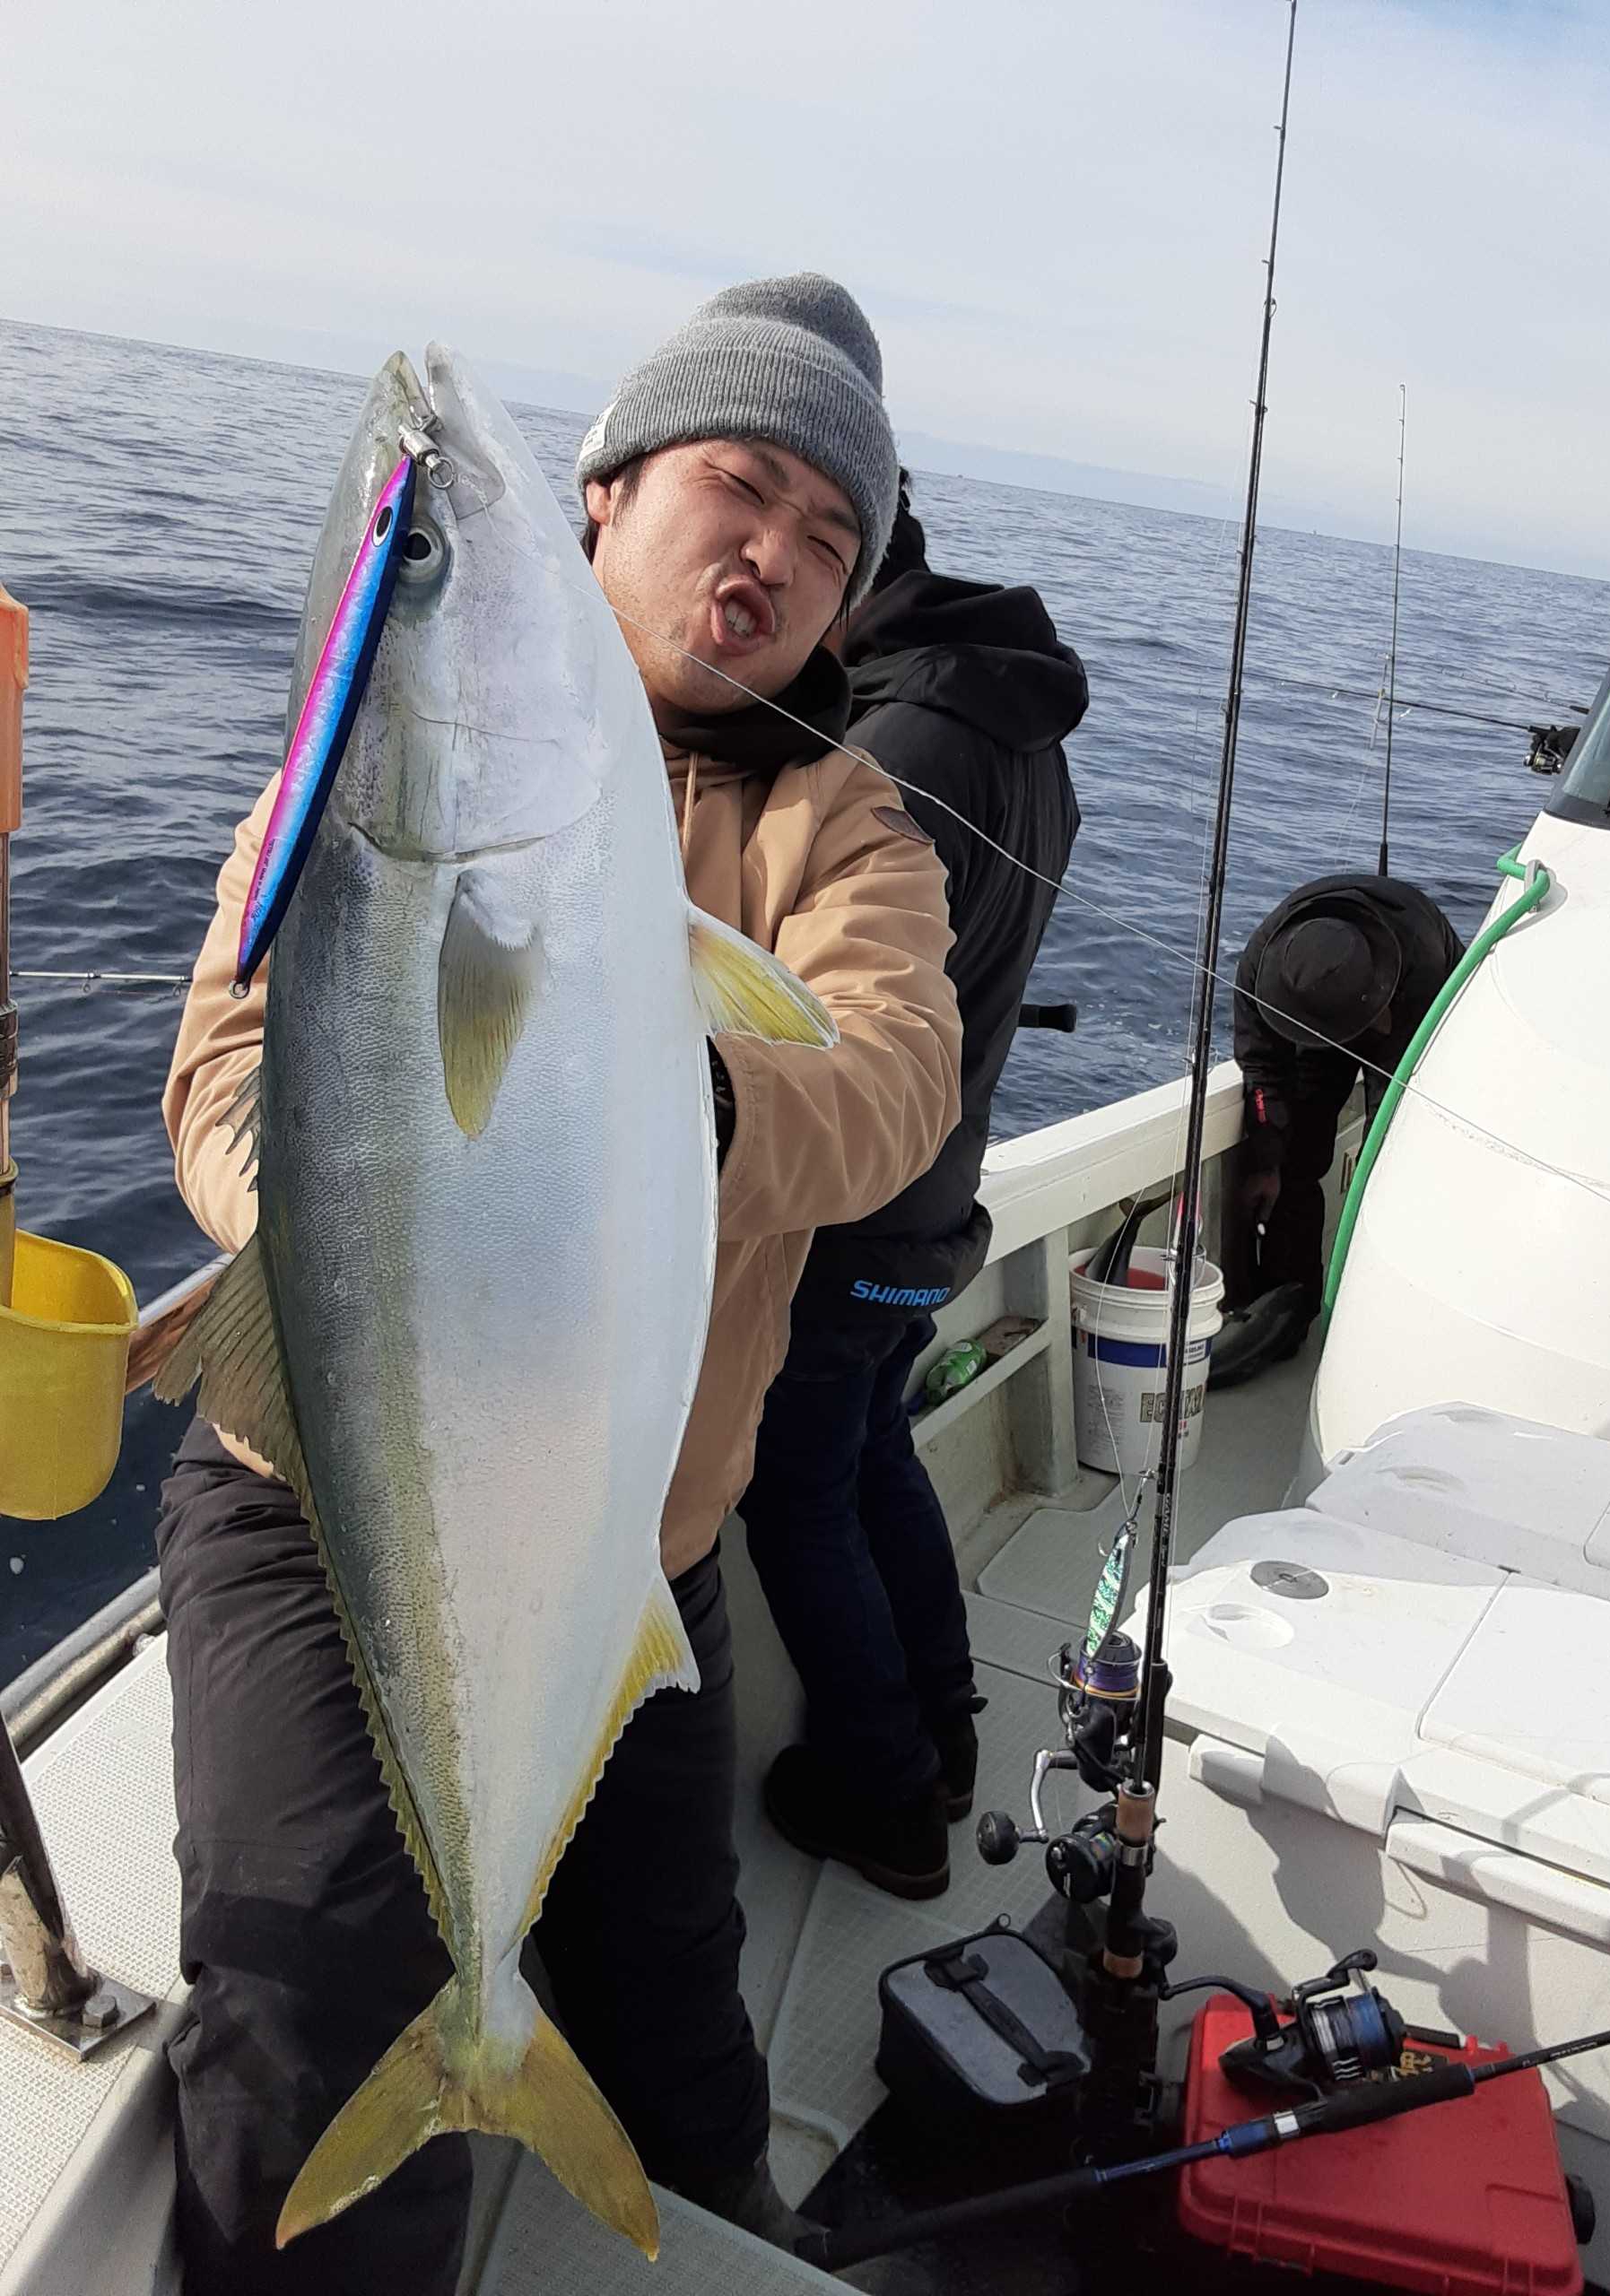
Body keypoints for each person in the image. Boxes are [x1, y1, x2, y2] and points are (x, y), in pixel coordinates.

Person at [155, 274, 962, 2294]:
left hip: (627, 1543)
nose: (775, 550)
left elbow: (891, 1084)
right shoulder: (359, 766)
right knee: (311, 1978)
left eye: (831, 535)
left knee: (677, 2008)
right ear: (599, 503)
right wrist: (366, 1220)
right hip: (318, 1506)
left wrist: (676, 1092)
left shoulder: (841, 820)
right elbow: (219, 1063)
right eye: (739, 484)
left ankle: (690, 2210)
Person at [739, 474, 1085, 1900]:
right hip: (935, 1194)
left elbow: (808, 1008)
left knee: (799, 1494)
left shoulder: (895, 741)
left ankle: (886, 1797)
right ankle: (943, 1732)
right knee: (872, 1450)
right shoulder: (1009, 717)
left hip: (860, 1207)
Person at [1214, 871, 1463, 1384]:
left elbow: (1389, 1108)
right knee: (1296, 1151)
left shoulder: (1424, 959)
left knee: (1395, 1150)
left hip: (1412, 1000)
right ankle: (1287, 1308)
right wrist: (1267, 1165)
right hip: (1322, 1007)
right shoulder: (1265, 966)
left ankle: (1384, 1309)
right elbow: (1264, 1073)